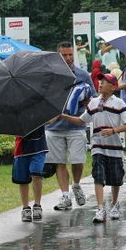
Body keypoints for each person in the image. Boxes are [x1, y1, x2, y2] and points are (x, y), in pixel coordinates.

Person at [61, 73, 126, 224]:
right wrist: (63, 116)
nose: (100, 84)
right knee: (98, 175)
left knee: (115, 179)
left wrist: (113, 131)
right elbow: (82, 120)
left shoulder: (119, 103)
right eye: (100, 81)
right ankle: (100, 208)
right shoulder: (93, 103)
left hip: (114, 147)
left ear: (113, 87)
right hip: (97, 146)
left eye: (105, 82)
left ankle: (114, 204)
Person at [45, 41, 96, 211]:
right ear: (58, 55)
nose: (68, 58)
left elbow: (94, 98)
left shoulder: (82, 75)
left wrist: (88, 100)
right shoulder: (50, 75)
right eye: (64, 55)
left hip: (76, 126)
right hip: (53, 128)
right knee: (59, 162)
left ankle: (76, 185)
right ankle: (65, 195)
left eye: (70, 54)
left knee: (77, 160)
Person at [13, 126, 49, 222]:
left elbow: (51, 119)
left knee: (36, 174)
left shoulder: (40, 111)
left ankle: (37, 205)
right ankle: (25, 208)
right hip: (21, 149)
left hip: (38, 147)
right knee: (22, 179)